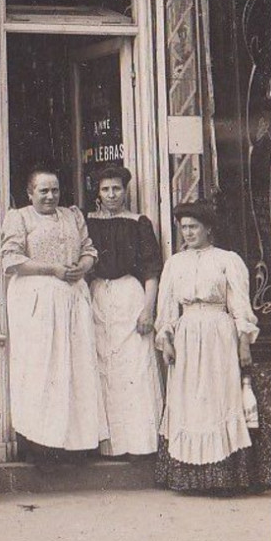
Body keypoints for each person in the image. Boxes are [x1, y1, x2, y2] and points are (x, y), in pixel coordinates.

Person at [1, 167, 109, 458]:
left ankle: (74, 447)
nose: (50, 196)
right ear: (30, 193)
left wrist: (81, 267)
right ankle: (39, 447)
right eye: (43, 191)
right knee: (42, 370)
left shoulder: (72, 215)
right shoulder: (20, 217)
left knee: (74, 369)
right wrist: (53, 269)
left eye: (55, 190)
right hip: (36, 302)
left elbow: (89, 250)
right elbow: (10, 260)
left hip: (72, 299)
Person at [154, 200, 259, 492]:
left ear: (208, 228)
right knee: (188, 399)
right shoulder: (175, 263)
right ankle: (187, 477)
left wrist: (244, 343)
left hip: (219, 334)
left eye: (193, 227)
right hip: (187, 333)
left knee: (218, 397)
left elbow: (239, 305)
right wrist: (167, 340)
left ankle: (224, 477)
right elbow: (166, 308)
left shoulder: (227, 260)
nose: (187, 233)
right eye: (183, 227)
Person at [86, 166, 164, 457]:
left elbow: (151, 270)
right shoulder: (88, 223)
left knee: (133, 367)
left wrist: (148, 310)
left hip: (130, 296)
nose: (111, 195)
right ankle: (107, 446)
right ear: (98, 192)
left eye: (116, 189)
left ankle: (137, 444)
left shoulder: (138, 222)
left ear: (125, 190)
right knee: (102, 366)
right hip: (97, 296)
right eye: (105, 189)